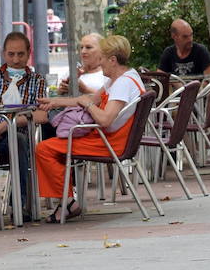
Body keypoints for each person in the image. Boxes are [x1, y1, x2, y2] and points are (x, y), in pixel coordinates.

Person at [34, 35, 146, 222]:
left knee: (44, 149)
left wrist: (87, 105)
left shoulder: (122, 84)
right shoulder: (125, 77)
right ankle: (66, 202)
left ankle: (68, 203)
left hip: (110, 143)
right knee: (53, 146)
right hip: (109, 139)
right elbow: (88, 99)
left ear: (112, 60)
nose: (99, 63)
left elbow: (105, 119)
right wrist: (54, 102)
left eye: (102, 58)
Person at [0, 31, 47, 222]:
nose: (15, 59)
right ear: (3, 54)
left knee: (18, 141)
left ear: (28, 53)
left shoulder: (37, 80)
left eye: (20, 54)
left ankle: (17, 202)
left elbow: (42, 115)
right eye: (11, 54)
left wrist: (8, 125)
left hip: (14, 136)